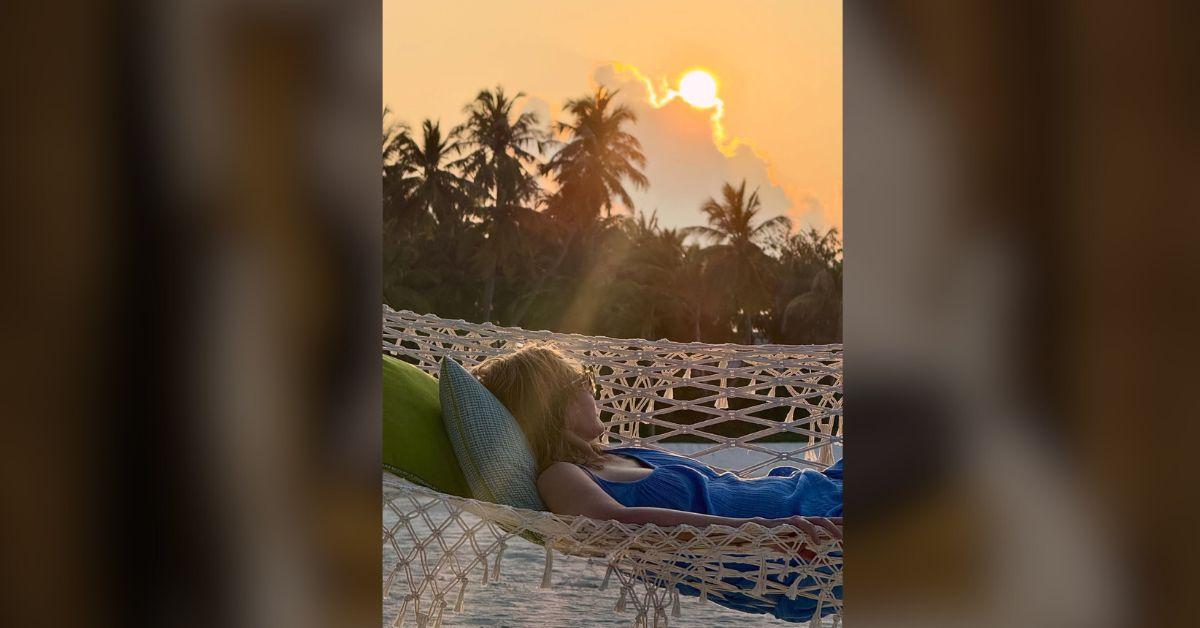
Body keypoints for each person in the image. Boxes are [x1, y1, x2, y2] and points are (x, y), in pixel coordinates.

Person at [470, 343, 843, 552]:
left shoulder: (616, 455)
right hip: (806, 533)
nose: (593, 391)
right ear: (555, 403)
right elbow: (613, 524)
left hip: (812, 495)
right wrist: (762, 531)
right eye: (582, 382)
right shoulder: (560, 475)